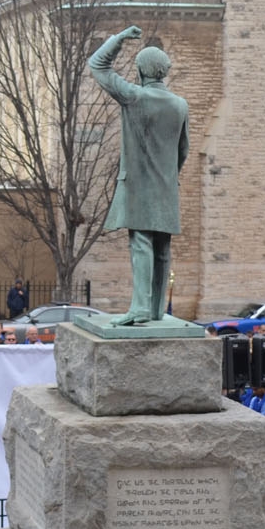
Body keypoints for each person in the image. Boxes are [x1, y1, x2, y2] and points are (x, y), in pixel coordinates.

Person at [87, 26, 188, 324]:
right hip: (167, 188)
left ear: (142, 72)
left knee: (141, 242)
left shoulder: (135, 96)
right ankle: (156, 309)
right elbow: (183, 150)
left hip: (140, 187)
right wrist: (168, 177)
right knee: (162, 246)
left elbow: (97, 65)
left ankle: (141, 308)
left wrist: (117, 39)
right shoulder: (180, 105)